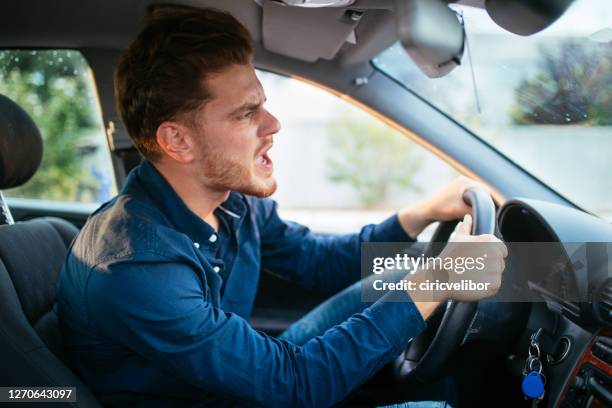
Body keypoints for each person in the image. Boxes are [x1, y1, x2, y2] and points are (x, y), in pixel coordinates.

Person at [55, 5, 507, 407]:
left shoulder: (232, 204)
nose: (274, 124)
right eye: (246, 113)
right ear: (178, 140)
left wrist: (423, 213)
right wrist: (438, 281)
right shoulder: (135, 265)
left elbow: (321, 263)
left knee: (399, 271)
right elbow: (295, 385)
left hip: (246, 383)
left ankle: (575, 273)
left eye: (263, 106)